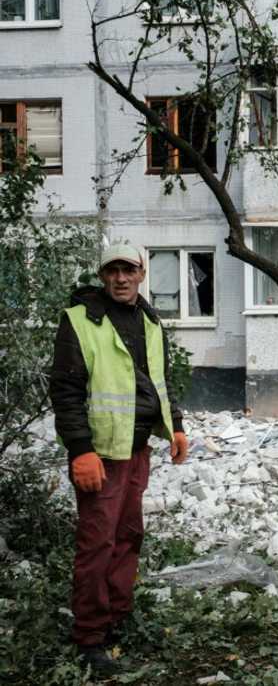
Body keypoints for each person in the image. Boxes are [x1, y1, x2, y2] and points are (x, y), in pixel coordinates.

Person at [48, 243, 189, 675]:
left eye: (129, 270)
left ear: (142, 274)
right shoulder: (80, 321)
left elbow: (156, 380)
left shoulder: (149, 320)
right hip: (101, 455)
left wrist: (176, 424)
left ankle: (116, 618)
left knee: (128, 536)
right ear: (103, 275)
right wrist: (81, 450)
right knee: (97, 543)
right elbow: (66, 393)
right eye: (113, 271)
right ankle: (90, 635)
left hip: (137, 448)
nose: (121, 278)